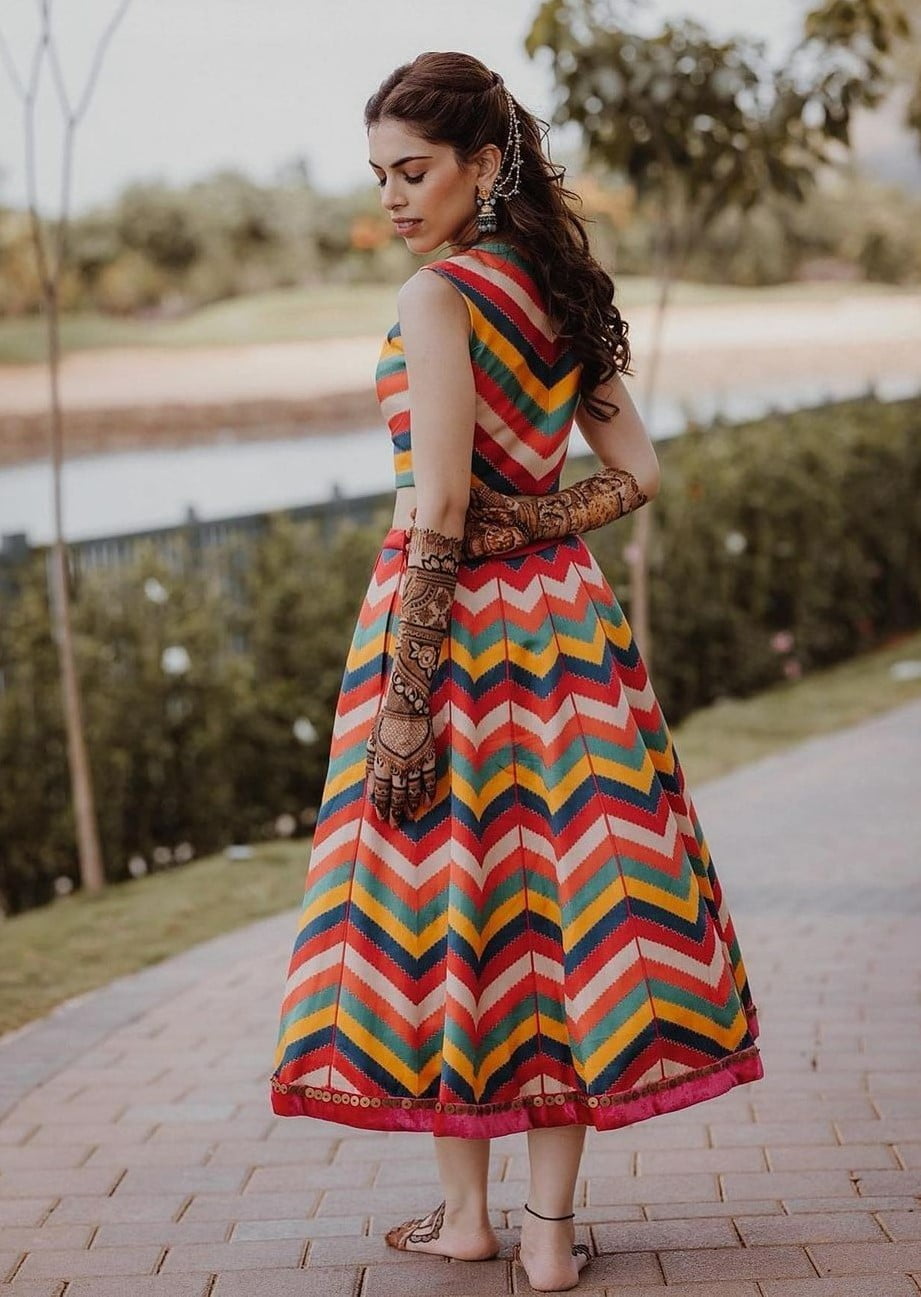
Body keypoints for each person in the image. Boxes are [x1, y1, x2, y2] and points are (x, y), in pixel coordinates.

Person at [270, 50, 762, 1293]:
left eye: (414, 169)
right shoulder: (554, 289)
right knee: (566, 912)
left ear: (485, 165)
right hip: (569, 639)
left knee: (452, 908)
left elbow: (437, 502)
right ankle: (545, 1233)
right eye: (380, 174)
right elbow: (634, 471)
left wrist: (403, 702)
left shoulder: (439, 296)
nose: (391, 196)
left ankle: (467, 1220)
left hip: (452, 636)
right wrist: (535, 520)